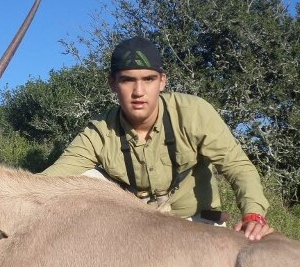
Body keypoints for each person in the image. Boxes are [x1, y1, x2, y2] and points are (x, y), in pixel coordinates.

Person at [42, 36, 274, 240]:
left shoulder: (194, 113)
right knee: (84, 178)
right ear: (112, 83)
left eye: (148, 79)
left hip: (195, 222)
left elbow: (238, 167)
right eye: (127, 80)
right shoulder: (100, 131)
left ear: (162, 80)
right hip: (137, 226)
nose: (139, 91)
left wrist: (253, 215)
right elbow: (49, 181)